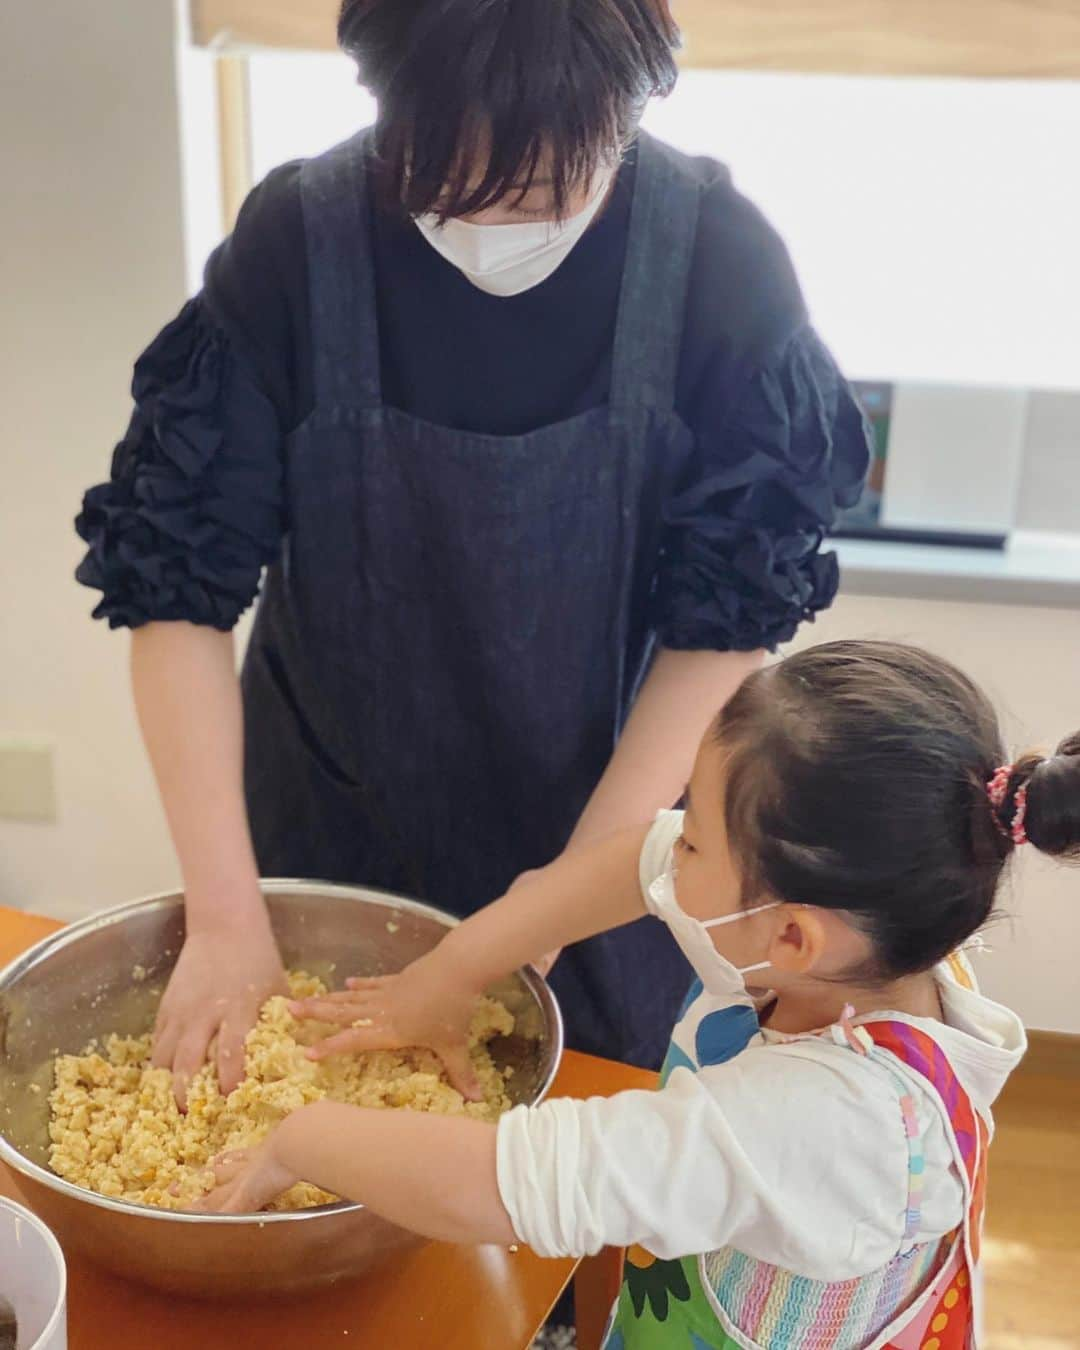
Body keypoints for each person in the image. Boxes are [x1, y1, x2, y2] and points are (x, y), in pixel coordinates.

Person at [74, 0, 870, 1106]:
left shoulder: (718, 265)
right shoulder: (296, 246)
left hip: (613, 834)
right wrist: (223, 912)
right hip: (333, 824)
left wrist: (535, 928)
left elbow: (722, 626)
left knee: (576, 1188)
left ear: (624, 102)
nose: (497, 216)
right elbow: (175, 591)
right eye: (446, 178)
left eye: (544, 186)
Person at [196, 640, 1072, 1348]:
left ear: (791, 931)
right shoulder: (843, 950)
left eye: (695, 841)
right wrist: (449, 974)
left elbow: (516, 1184)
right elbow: (633, 861)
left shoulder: (832, 1121)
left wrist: (301, 1135)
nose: (670, 848)